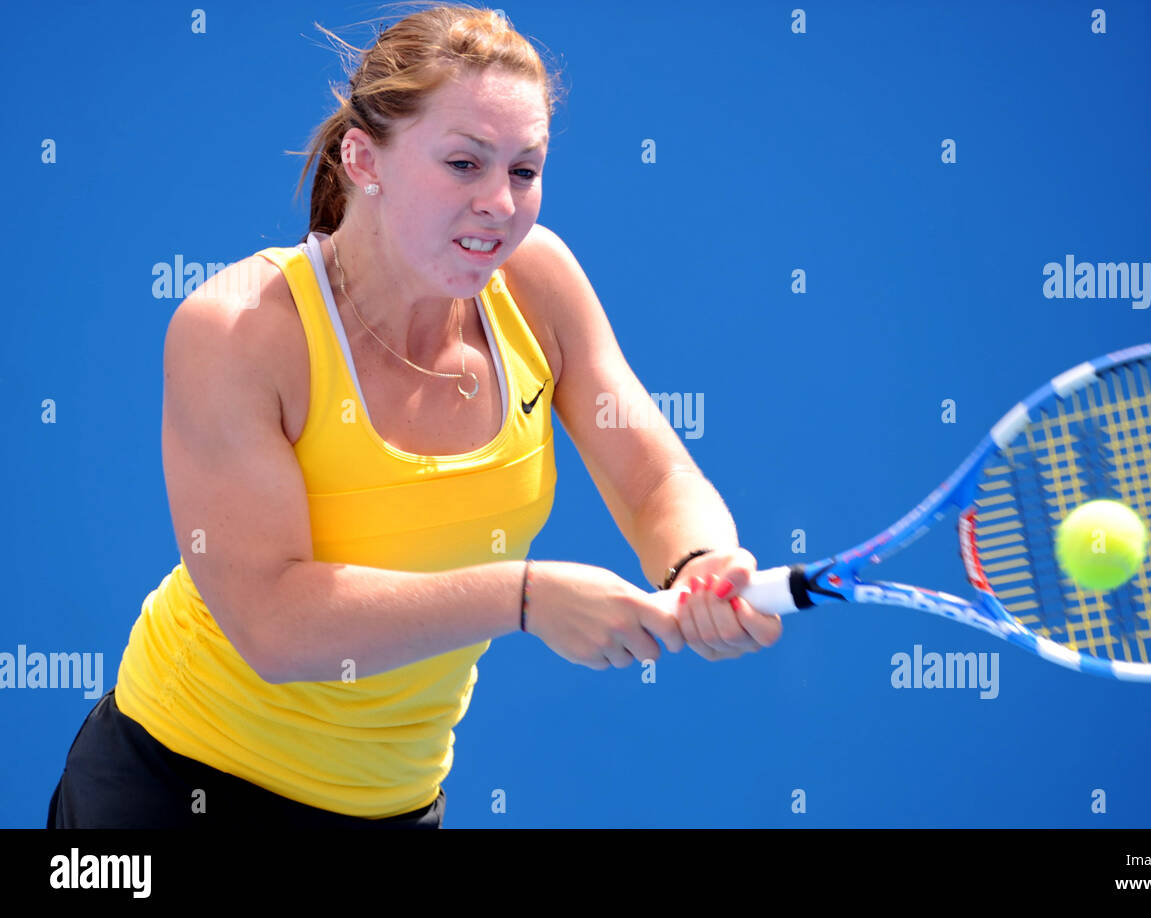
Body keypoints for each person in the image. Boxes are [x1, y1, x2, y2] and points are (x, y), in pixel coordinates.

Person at [46, 3, 781, 829]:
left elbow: (655, 480)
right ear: (365, 159)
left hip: (393, 804)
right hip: (173, 787)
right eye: (464, 163)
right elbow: (271, 624)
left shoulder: (539, 282)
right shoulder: (238, 327)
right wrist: (527, 598)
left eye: (525, 170)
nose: (501, 204)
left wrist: (702, 564)